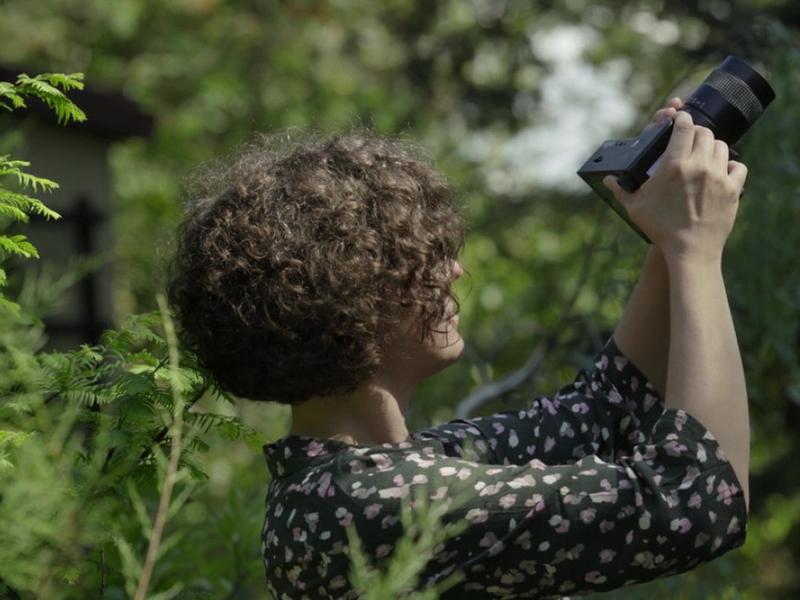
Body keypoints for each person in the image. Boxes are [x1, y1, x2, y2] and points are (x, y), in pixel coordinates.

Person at [165, 97, 749, 599]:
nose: (453, 269)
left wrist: (668, 228)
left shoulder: (373, 476)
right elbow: (697, 504)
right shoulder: (362, 505)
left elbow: (607, 412)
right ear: (348, 304)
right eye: (417, 259)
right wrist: (695, 251)